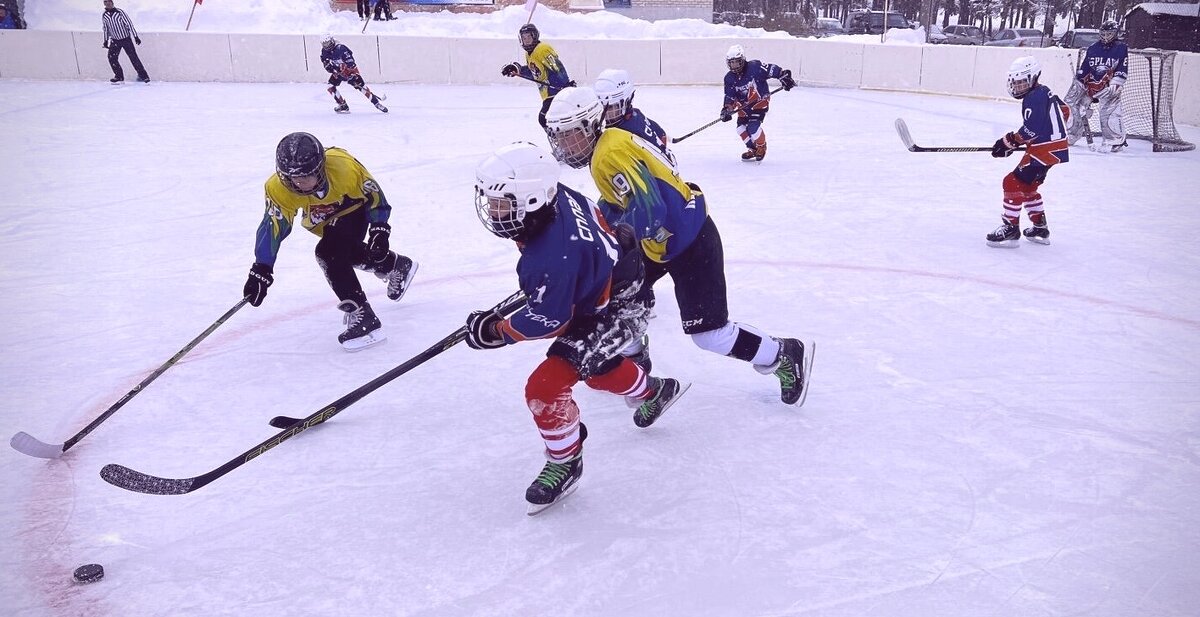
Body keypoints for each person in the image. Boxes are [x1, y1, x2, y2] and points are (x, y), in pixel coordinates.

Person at [545, 87, 815, 408]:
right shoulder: (610, 142)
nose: (561, 145)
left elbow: (649, 209)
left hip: (690, 241)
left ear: (590, 125)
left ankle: (782, 354)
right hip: (662, 239)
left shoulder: (608, 154)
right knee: (619, 301)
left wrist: (607, 246)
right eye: (557, 137)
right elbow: (629, 199)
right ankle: (638, 365)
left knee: (711, 336)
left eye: (568, 135)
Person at [466, 142, 690, 514]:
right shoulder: (558, 196)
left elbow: (551, 319)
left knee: (545, 387)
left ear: (534, 200)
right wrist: (561, 284)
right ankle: (653, 391)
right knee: (598, 372)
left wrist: (495, 332)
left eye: (502, 201)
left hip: (619, 306)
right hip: (614, 282)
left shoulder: (550, 260)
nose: (493, 209)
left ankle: (565, 462)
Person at [243, 132, 418, 351]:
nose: (299, 182)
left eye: (306, 176)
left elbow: (375, 197)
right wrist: (262, 267)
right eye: (292, 177)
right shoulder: (278, 188)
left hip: (355, 208)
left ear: (320, 168)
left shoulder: (343, 167)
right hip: (326, 221)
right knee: (341, 252)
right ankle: (394, 266)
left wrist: (379, 230)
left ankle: (364, 318)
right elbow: (273, 226)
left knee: (328, 252)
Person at [987, 57, 1070, 247]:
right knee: (1028, 187)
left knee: (1011, 182)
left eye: (1022, 81)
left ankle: (1011, 229)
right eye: (1015, 82)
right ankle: (1040, 228)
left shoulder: (1034, 97)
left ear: (1034, 78)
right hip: (1054, 148)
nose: (1018, 86)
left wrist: (1009, 142)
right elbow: (1065, 112)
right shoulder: (1045, 92)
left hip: (1045, 149)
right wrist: (1049, 134)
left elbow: (1032, 129)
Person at [719, 44, 795, 162]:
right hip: (743, 108)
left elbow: (771, 69)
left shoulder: (755, 67)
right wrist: (727, 109)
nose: (734, 66)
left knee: (753, 127)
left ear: (743, 60)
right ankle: (753, 149)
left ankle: (761, 147)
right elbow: (730, 96)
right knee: (741, 129)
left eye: (737, 62)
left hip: (759, 103)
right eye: (731, 63)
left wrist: (783, 75)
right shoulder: (729, 78)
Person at [1064, 20, 1129, 153]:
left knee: (1109, 109)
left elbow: (1122, 67)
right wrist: (1080, 83)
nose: (1106, 36)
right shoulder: (1093, 48)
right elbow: (1085, 68)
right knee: (1071, 102)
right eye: (1103, 33)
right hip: (1091, 85)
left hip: (1107, 86)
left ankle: (1115, 140)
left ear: (1116, 33)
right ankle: (1072, 133)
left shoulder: (1121, 48)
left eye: (1109, 33)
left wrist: (1116, 83)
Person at [500, 23, 574, 130]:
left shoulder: (543, 49)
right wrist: (518, 69)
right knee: (548, 121)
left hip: (556, 92)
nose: (526, 40)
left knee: (545, 119)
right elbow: (535, 72)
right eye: (524, 38)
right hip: (548, 96)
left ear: (535, 36)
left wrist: (566, 87)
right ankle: (561, 142)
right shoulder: (529, 53)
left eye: (529, 37)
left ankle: (561, 143)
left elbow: (558, 67)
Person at [320, 35, 387, 114]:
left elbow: (351, 63)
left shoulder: (341, 49)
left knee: (362, 87)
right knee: (330, 86)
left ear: (331, 41)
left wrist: (351, 75)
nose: (326, 46)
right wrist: (327, 66)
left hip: (349, 71)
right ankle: (342, 105)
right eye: (325, 44)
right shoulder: (324, 51)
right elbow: (324, 59)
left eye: (328, 44)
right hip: (338, 71)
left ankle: (377, 103)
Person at [101, 0, 149, 84]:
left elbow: (129, 24)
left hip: (125, 39)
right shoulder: (105, 15)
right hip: (115, 40)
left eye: (109, 1)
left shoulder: (120, 12)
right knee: (112, 58)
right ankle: (119, 76)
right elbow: (105, 28)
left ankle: (143, 76)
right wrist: (105, 40)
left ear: (112, 2)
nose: (107, 3)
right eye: (105, 1)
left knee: (133, 58)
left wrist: (135, 36)